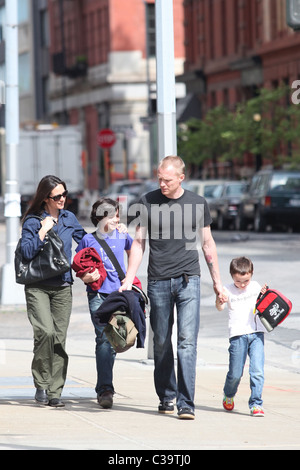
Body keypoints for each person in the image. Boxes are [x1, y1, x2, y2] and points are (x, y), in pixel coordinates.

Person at [120, 155, 224, 420]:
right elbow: (139, 242)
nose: (162, 183)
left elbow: (208, 243)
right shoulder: (148, 201)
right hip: (158, 282)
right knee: (162, 343)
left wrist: (217, 282)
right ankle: (167, 395)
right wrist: (129, 278)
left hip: (189, 280)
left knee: (187, 343)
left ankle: (186, 403)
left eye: (166, 179)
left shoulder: (198, 203)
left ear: (181, 177)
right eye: (159, 178)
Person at [20, 175, 94, 407]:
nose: (63, 199)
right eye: (57, 196)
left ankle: (55, 391)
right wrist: (43, 230)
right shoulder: (33, 221)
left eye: (65, 194)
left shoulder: (69, 218)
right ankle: (41, 383)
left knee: (59, 339)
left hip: (62, 286)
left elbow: (86, 243)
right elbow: (26, 252)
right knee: (45, 333)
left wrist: (108, 230)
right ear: (45, 199)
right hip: (38, 286)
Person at [75, 198, 134, 409]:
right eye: (113, 215)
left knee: (118, 341)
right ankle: (105, 390)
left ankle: (104, 386)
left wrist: (130, 278)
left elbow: (134, 253)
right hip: (97, 295)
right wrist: (85, 277)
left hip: (118, 295)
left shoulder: (123, 235)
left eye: (118, 215)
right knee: (104, 340)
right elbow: (79, 266)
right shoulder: (88, 240)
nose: (117, 219)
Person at [216, 256, 267, 417]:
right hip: (238, 335)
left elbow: (264, 304)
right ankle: (229, 394)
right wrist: (219, 299)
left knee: (257, 371)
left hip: (257, 333)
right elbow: (220, 307)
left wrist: (265, 294)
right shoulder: (227, 289)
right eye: (239, 281)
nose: (243, 285)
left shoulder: (255, 286)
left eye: (246, 280)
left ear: (251, 274)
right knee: (236, 373)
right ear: (232, 276)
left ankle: (256, 403)